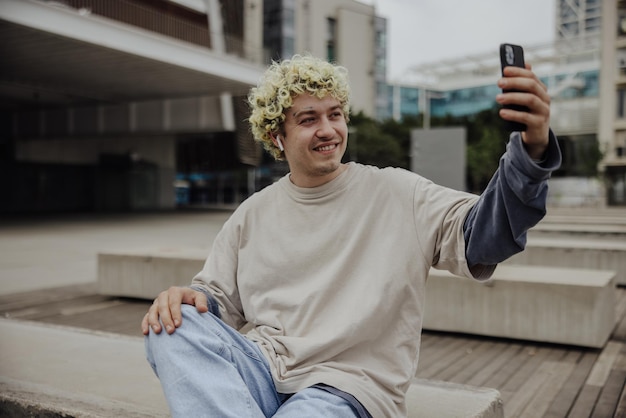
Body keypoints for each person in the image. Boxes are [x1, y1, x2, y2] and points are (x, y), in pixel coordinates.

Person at [142, 54, 561, 417]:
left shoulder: (398, 192)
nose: (328, 129)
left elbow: (485, 234)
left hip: (346, 388)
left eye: (335, 114)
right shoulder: (252, 213)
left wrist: (531, 151)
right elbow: (215, 301)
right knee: (170, 327)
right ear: (277, 136)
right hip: (265, 368)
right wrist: (186, 299)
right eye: (308, 119)